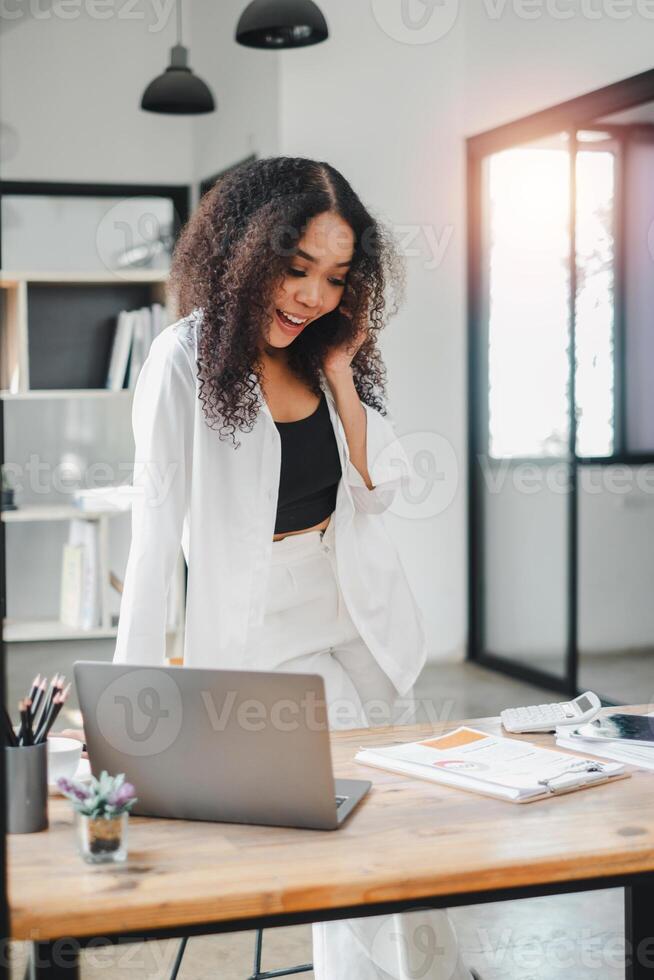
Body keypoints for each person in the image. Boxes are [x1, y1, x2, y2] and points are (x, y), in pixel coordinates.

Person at [111, 157, 480, 980]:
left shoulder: (322, 353)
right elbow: (153, 534)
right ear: (245, 252)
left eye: (336, 278)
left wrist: (345, 373)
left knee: (397, 821)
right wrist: (128, 720)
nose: (313, 295)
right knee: (336, 827)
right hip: (256, 631)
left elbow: (381, 490)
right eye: (296, 267)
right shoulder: (183, 361)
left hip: (350, 611)